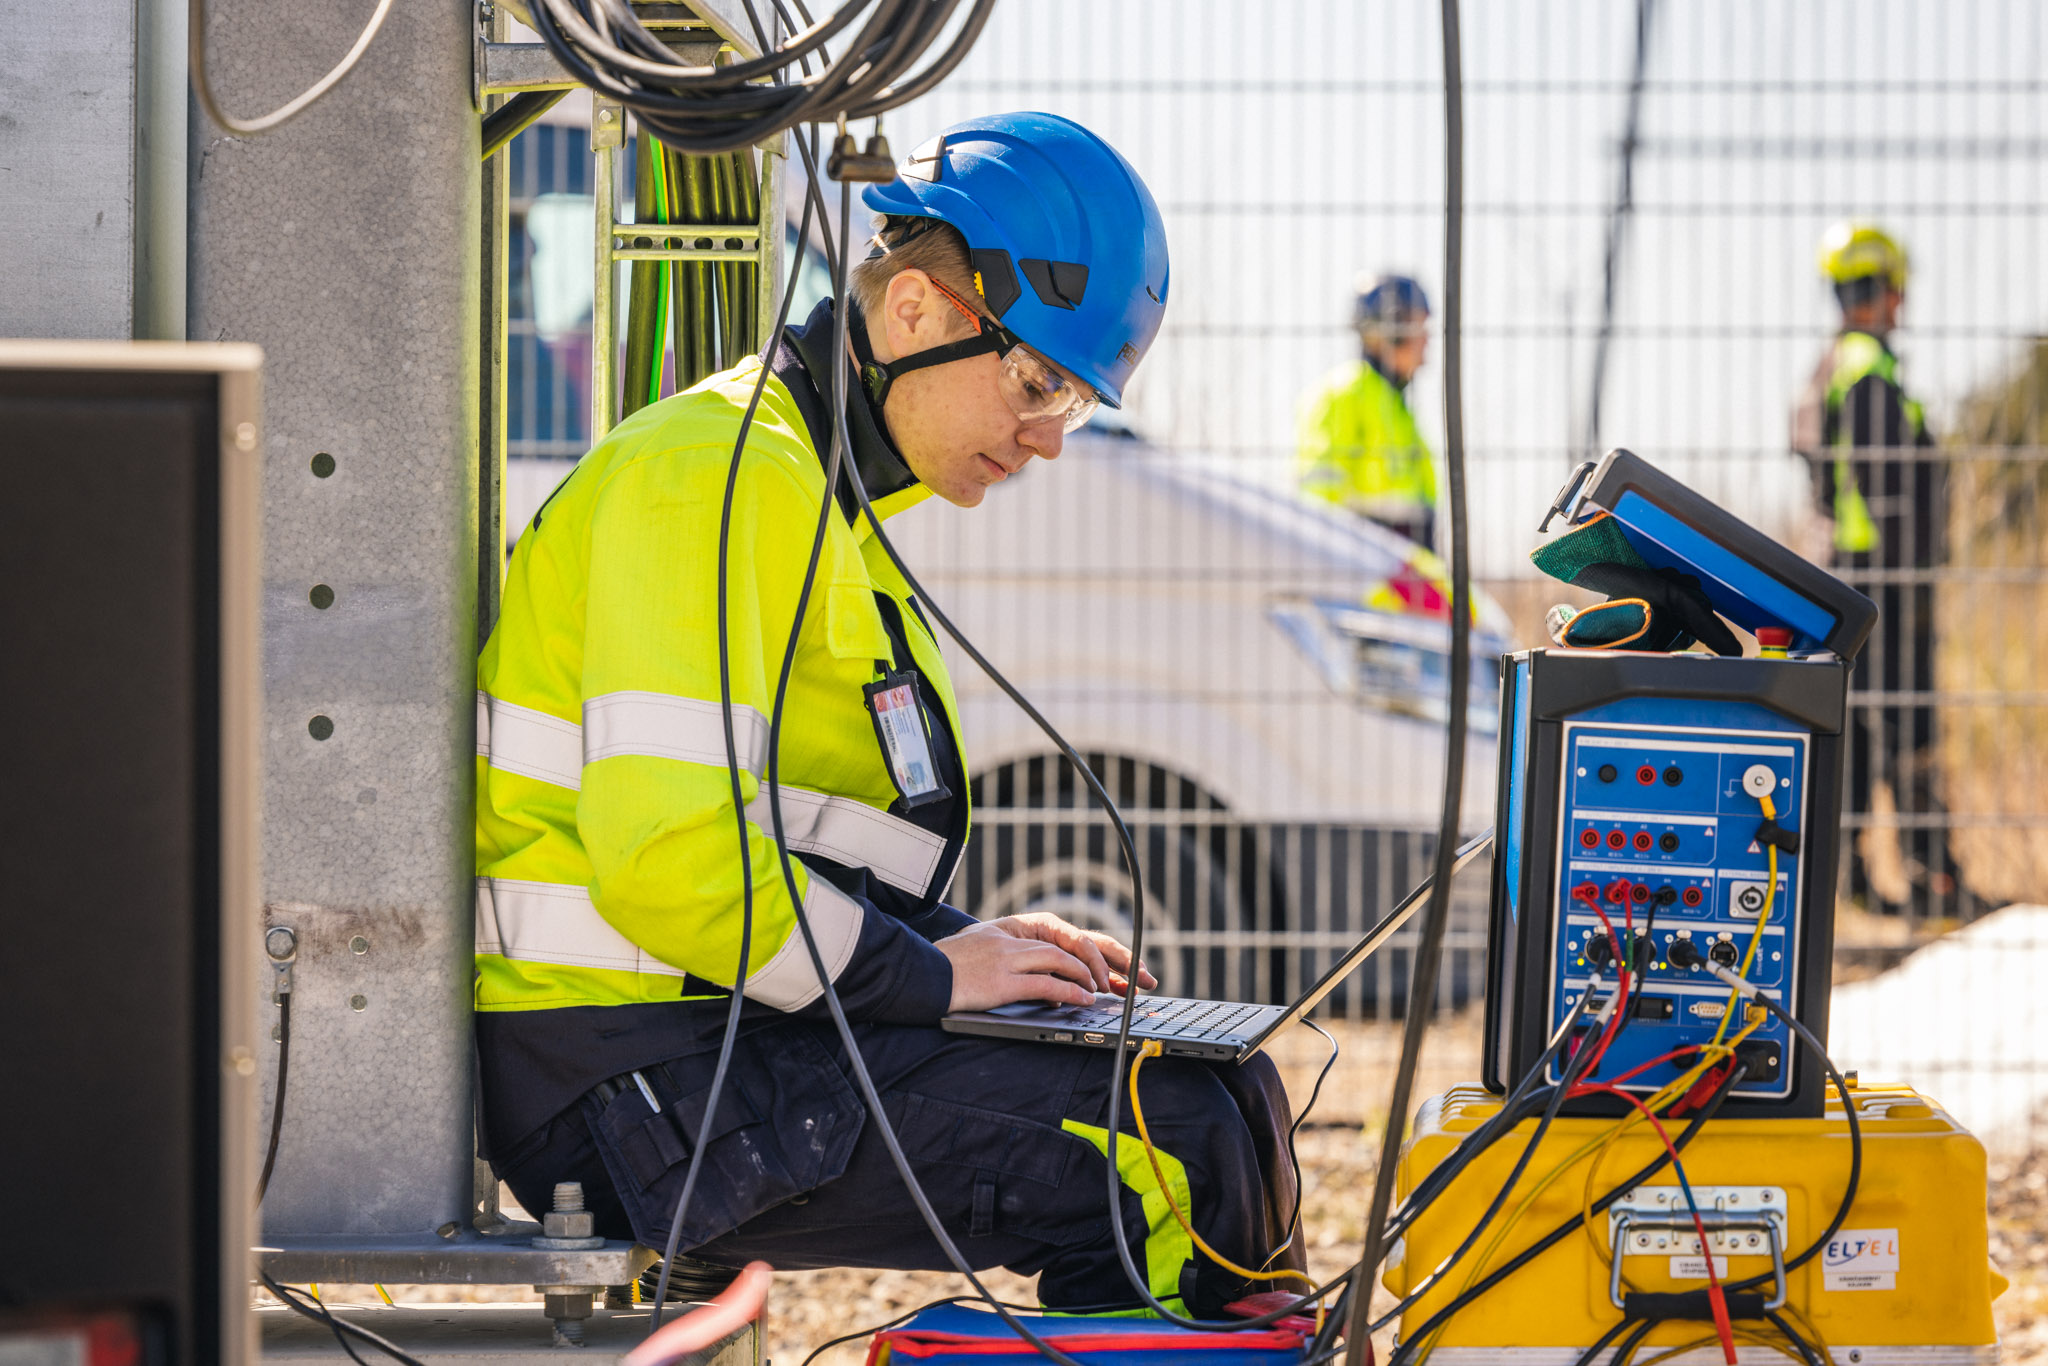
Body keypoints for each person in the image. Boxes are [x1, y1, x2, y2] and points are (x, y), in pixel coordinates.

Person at [472, 111, 1303, 1316]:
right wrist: (926, 979)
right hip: (627, 1079)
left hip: (714, 1039)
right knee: (1171, 1141)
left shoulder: (816, 501)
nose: (1047, 440)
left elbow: (790, 835)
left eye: (1072, 403)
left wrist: (974, 951)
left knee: (1225, 1088)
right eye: (1037, 382)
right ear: (912, 310)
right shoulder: (715, 475)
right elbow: (669, 860)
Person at [1792, 221, 1976, 918]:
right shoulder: (1869, 369)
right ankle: (1938, 883)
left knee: (1860, 730)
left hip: (1841, 576)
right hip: (1885, 579)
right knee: (1909, 725)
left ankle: (1855, 883)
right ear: (1885, 290)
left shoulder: (1832, 365)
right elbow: (1888, 487)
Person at [1298, 274, 1439, 548]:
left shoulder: (1394, 402)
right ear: (1393, 330)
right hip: (1362, 563)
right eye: (1418, 327)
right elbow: (1319, 495)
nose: (1427, 339)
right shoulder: (1342, 394)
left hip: (1401, 560)